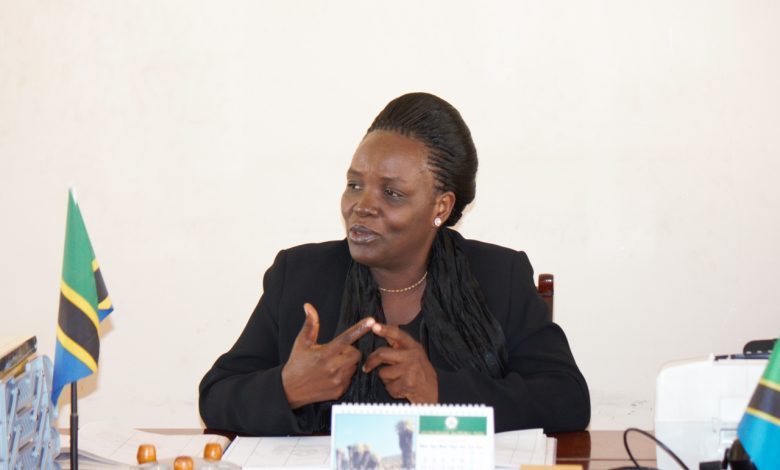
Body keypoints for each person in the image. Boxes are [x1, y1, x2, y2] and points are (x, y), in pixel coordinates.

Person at [199, 92, 590, 436]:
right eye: (354, 185)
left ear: (441, 207)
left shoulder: (498, 276)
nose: (362, 206)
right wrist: (287, 389)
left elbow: (567, 399)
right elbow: (216, 395)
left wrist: (441, 392)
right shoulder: (299, 275)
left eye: (392, 193)